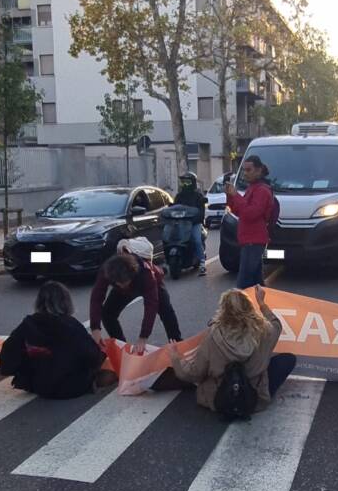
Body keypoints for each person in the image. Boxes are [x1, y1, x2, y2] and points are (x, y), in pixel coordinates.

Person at [166, 286, 297, 413]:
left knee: (207, 371)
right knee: (288, 359)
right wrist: (261, 303)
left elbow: (195, 373)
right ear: (250, 308)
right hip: (252, 398)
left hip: (220, 397)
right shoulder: (264, 331)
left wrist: (176, 358)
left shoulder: (213, 335)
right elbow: (276, 325)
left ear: (224, 310)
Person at [0, 281, 114, 398]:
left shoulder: (28, 324)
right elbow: (92, 357)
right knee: (109, 373)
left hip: (38, 385)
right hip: (70, 387)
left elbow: (7, 359)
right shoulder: (71, 326)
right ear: (66, 302)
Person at [89, 253, 182, 355]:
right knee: (107, 313)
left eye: (124, 283)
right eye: (118, 283)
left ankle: (177, 344)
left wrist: (143, 337)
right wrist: (95, 328)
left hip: (151, 284)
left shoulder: (146, 274)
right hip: (122, 290)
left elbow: (151, 306)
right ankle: (122, 348)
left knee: (166, 310)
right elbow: (96, 297)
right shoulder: (106, 270)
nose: (122, 285)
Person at [224, 155, 275, 288]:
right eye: (244, 170)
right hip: (249, 240)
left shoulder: (262, 190)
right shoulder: (253, 188)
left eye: (249, 170)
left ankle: (240, 308)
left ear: (259, 170)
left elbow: (250, 213)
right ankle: (261, 306)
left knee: (244, 284)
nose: (245, 173)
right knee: (256, 283)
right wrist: (230, 197)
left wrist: (236, 196)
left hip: (254, 240)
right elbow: (240, 212)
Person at [173, 171, 208, 276]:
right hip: (180, 223)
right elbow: (174, 208)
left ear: (193, 183)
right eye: (183, 182)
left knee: (197, 240)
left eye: (187, 182)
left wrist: (195, 219)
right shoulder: (179, 196)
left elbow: (201, 212)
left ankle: (202, 263)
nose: (185, 185)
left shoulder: (198, 196)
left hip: (194, 224)